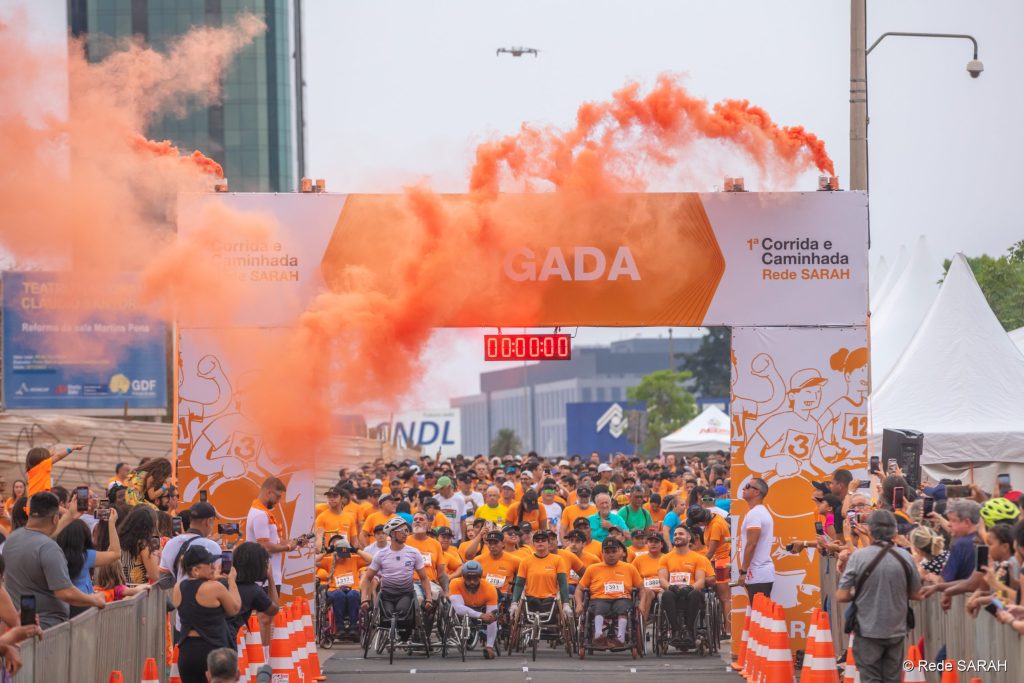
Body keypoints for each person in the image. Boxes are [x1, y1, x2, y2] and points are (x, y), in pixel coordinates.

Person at [836, 510, 923, 683]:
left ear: (870, 531)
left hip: (867, 630)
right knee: (893, 678)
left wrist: (862, 592)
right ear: (894, 532)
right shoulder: (905, 557)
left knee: (870, 678)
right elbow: (916, 594)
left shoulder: (859, 557)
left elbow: (842, 595)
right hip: (896, 630)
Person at [3, 492, 105, 628]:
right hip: (48, 629)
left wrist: (69, 516)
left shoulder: (12, 539)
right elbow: (65, 592)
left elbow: (40, 538)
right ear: (55, 519)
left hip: (20, 626)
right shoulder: (49, 548)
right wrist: (94, 599)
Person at [172, 546, 241, 683]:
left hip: (187, 652)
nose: (214, 567)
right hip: (213, 652)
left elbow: (192, 593)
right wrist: (232, 581)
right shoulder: (215, 587)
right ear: (196, 570)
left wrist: (209, 578)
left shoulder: (178, 587)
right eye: (209, 564)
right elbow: (234, 608)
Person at [359, 517, 433, 638]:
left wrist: (429, 598)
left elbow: (424, 578)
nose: (406, 534)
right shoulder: (381, 554)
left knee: (402, 614)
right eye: (402, 531)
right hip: (387, 594)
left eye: (407, 530)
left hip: (405, 593)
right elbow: (367, 578)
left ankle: (406, 634)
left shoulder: (414, 553)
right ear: (393, 534)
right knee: (387, 619)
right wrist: (364, 599)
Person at [575, 538, 643, 648]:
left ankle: (620, 637)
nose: (611, 555)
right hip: (599, 598)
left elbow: (642, 588)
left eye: (613, 551)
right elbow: (579, 589)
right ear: (602, 553)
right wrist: (579, 603)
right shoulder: (592, 568)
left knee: (623, 607)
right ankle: (598, 635)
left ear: (619, 552)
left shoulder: (629, 568)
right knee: (599, 606)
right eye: (607, 552)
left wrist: (642, 603)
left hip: (622, 598)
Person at [54, 509, 121, 616]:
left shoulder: (54, 555)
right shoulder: (86, 556)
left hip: (61, 607)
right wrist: (111, 523)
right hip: (84, 605)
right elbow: (116, 553)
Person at [658, 526, 710, 648]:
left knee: (695, 593)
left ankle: (689, 630)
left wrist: (690, 587)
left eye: (681, 534)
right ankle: (676, 630)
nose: (677, 536)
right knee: (666, 594)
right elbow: (662, 579)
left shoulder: (698, 558)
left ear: (689, 537)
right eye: (675, 534)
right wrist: (671, 587)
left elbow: (701, 580)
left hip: (691, 592)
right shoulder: (665, 558)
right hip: (674, 592)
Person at [246, 477, 300, 592]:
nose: (278, 501)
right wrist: (288, 547)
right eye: (278, 496)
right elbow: (264, 546)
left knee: (269, 610)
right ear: (269, 492)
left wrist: (295, 542)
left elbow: (273, 541)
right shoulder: (260, 515)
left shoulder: (260, 512)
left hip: (268, 576)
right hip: (265, 578)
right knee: (269, 610)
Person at [510, 530, 571, 625]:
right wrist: (514, 603)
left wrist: (566, 604)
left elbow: (563, 583)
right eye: (537, 540)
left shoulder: (557, 560)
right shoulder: (525, 561)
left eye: (543, 540)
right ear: (533, 543)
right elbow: (519, 584)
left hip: (551, 598)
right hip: (531, 598)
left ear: (548, 543)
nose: (540, 542)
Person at [227, 542, 279, 645]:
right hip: (226, 642)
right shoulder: (253, 591)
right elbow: (274, 609)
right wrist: (271, 578)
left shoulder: (224, 583)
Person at [449, 560, 500, 659]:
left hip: (481, 607)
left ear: (480, 577)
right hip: (463, 607)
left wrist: (488, 616)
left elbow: (491, 614)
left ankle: (489, 647)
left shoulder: (490, 588)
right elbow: (459, 609)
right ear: (463, 576)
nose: (472, 581)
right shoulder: (455, 583)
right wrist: (480, 615)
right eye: (468, 578)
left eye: (475, 578)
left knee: (492, 619)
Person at [738, 477, 774, 600]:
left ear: (757, 492)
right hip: (759, 573)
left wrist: (743, 571)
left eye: (747, 486)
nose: (743, 488)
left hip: (757, 574)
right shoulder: (758, 512)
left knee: (761, 616)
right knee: (760, 616)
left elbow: (751, 544)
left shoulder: (755, 513)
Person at [323, 537, 364, 639]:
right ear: (336, 552)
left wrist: (356, 550)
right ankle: (340, 627)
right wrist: (327, 551)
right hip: (335, 590)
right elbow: (313, 560)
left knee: (353, 595)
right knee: (339, 594)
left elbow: (372, 559)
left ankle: (353, 626)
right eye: (341, 555)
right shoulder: (329, 560)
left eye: (345, 555)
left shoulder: (354, 559)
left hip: (352, 589)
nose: (343, 558)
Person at [117, 506, 160, 585]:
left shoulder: (119, 540)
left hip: (120, 590)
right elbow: (155, 575)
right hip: (138, 592)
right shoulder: (143, 545)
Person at [435, 476, 467, 542]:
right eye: (439, 489)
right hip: (438, 538)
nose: (440, 491)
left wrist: (463, 540)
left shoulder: (459, 499)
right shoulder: (435, 499)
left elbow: (463, 521)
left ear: (449, 487)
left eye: (442, 488)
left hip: (455, 538)